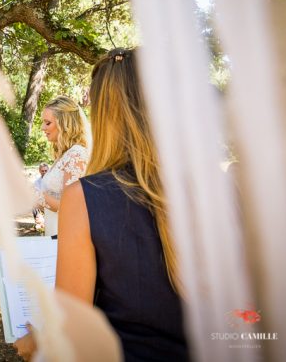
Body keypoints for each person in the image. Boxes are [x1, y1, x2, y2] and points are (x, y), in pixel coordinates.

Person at [14, 49, 189, 360]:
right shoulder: (214, 190)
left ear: (103, 113)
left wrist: (37, 343)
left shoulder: (86, 197)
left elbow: (72, 331)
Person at [37, 96, 90, 237]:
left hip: (66, 236)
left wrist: (36, 196)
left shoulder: (76, 155)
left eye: (48, 123)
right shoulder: (65, 155)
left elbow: (72, 208)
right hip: (54, 230)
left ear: (64, 124)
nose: (42, 127)